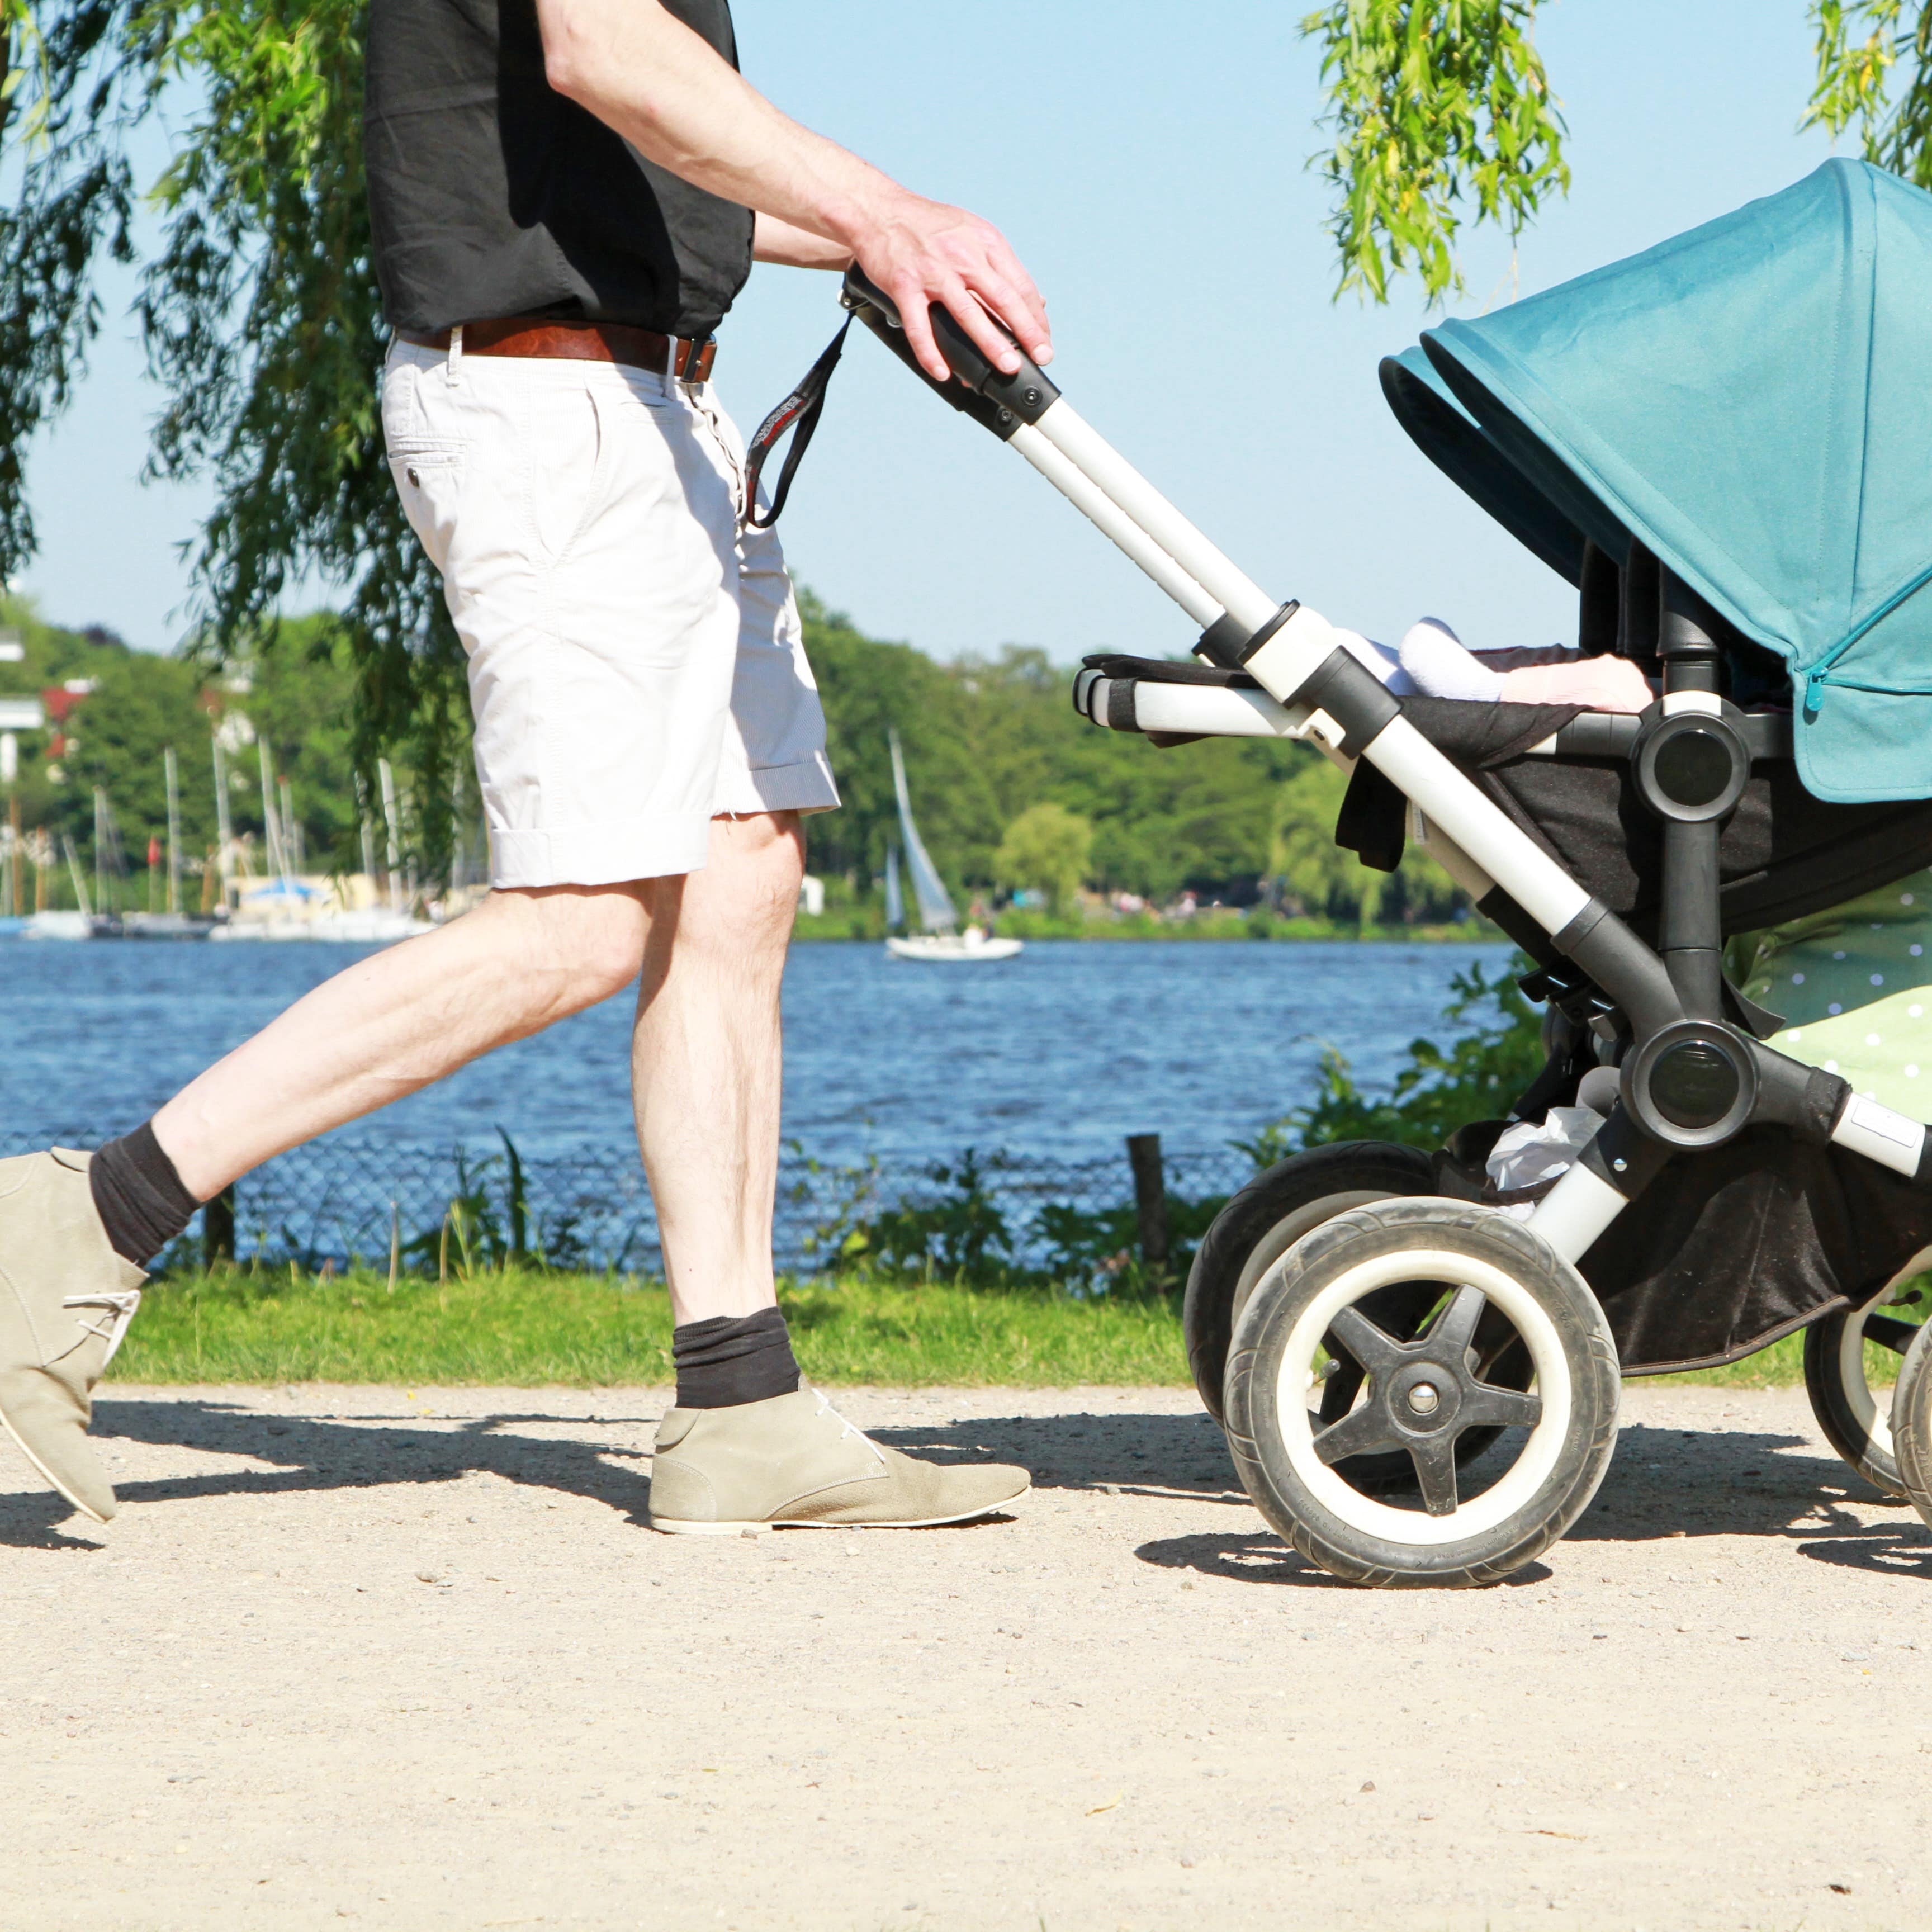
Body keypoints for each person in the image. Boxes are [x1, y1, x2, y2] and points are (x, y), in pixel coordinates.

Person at [0, 0, 1050, 1535]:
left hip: (656, 407)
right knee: (581, 918)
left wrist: (878, 244)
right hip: (553, 412)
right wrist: (887, 210)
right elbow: (610, 54)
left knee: (743, 864)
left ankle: (742, 1405)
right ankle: (82, 1218)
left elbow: (652, 156)